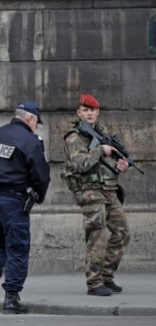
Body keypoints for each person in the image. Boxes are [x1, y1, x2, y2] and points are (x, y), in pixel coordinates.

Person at [0, 101, 51, 314]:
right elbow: (41, 175)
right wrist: (37, 196)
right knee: (18, 248)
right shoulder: (31, 140)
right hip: (14, 200)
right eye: (36, 122)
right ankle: (11, 298)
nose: (36, 127)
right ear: (30, 118)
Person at [62, 94, 130, 297]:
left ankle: (106, 277)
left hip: (109, 191)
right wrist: (100, 150)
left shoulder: (102, 133)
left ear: (98, 113)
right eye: (85, 110)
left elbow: (107, 166)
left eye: (93, 110)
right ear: (79, 112)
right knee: (97, 238)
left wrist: (121, 166)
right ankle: (94, 283)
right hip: (91, 193)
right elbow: (80, 164)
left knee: (122, 232)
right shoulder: (74, 136)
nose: (89, 113)